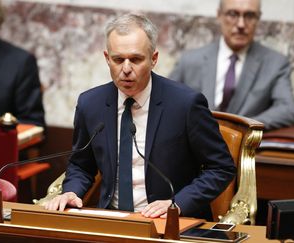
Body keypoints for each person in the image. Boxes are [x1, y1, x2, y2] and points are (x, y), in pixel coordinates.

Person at [44, 13, 236, 220]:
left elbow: (221, 167)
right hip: (112, 220)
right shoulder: (90, 104)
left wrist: (177, 204)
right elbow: (81, 165)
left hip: (171, 222)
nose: (126, 69)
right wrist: (72, 191)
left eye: (135, 59)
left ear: (154, 59)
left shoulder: (186, 104)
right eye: (118, 60)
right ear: (107, 59)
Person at [169, 0, 294, 130]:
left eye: (249, 16)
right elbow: (164, 100)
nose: (241, 24)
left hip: (245, 146)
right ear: (219, 15)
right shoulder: (190, 60)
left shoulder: (275, 63)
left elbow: (287, 110)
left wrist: (246, 127)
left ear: (258, 18)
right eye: (232, 14)